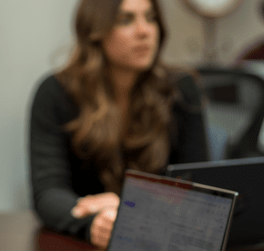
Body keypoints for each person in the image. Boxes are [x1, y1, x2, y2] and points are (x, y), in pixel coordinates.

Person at [29, 0, 208, 248]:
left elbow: (199, 192)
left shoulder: (181, 89)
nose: (144, 31)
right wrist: (94, 224)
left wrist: (127, 207)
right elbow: (49, 193)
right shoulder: (55, 93)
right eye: (126, 20)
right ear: (95, 31)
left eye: (151, 17)